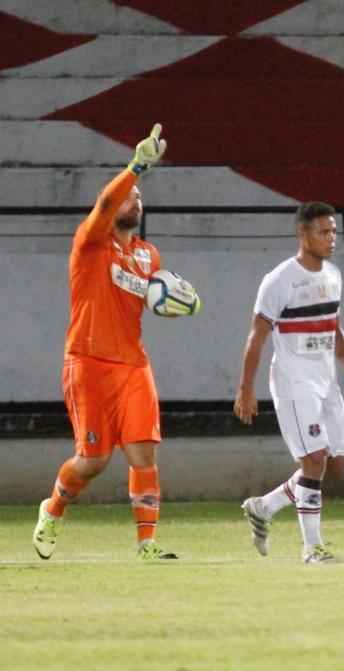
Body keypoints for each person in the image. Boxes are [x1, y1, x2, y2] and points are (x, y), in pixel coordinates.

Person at [32, 123, 187, 561]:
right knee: (93, 462)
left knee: (144, 454)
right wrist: (137, 166)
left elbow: (152, 299)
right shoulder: (89, 243)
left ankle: (147, 544)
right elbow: (103, 201)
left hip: (133, 366)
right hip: (86, 362)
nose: (135, 199)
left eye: (139, 196)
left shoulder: (148, 256)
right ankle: (53, 509)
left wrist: (178, 302)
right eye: (129, 194)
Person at [234, 202, 344, 564]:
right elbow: (257, 336)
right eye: (323, 232)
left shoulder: (331, 276)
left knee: (337, 468)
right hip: (294, 382)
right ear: (302, 234)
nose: (331, 239)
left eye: (333, 232)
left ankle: (264, 506)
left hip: (326, 381)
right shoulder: (279, 280)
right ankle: (312, 549)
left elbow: (333, 324)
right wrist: (246, 389)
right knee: (314, 461)